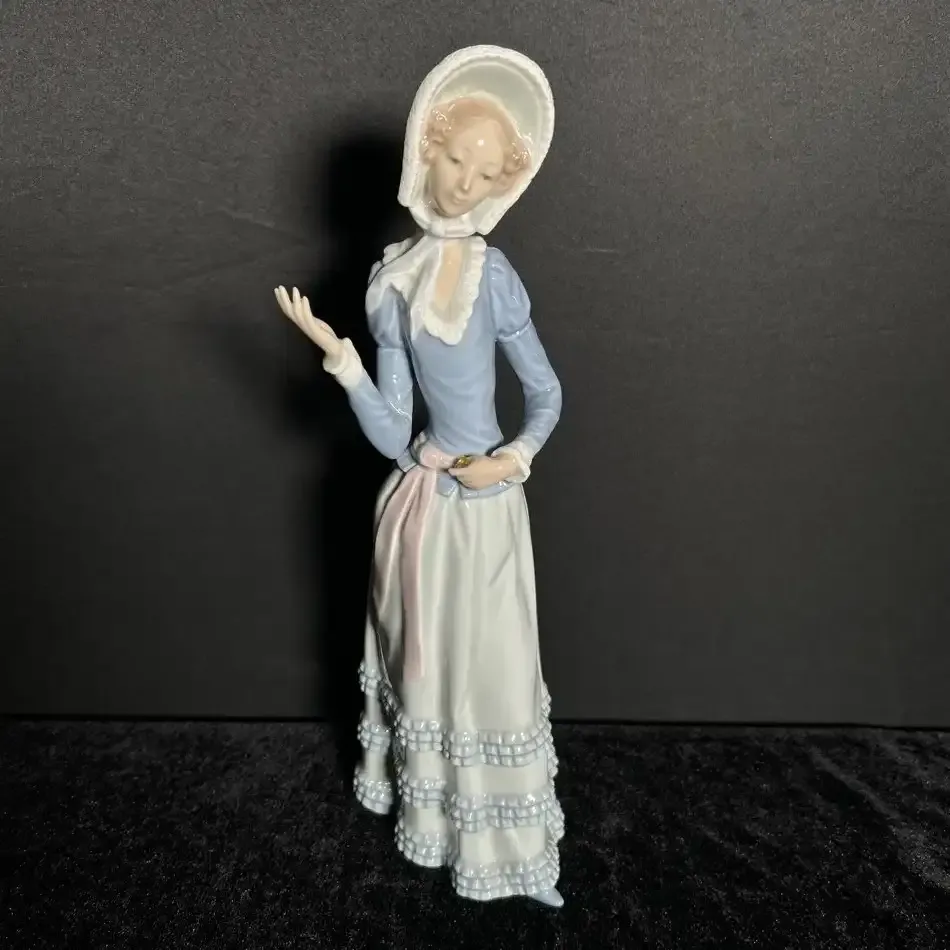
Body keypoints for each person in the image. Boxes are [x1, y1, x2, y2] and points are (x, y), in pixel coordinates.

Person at [275, 45, 564, 906]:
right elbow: (394, 434)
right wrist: (343, 362)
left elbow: (546, 394)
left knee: (491, 670)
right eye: (456, 159)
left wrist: (509, 461)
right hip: (420, 507)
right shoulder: (392, 284)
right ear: (426, 151)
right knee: (424, 664)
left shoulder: (494, 276)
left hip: (485, 508)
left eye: (485, 172)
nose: (465, 183)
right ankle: (432, 821)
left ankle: (507, 848)